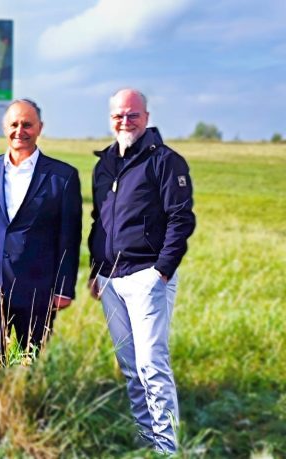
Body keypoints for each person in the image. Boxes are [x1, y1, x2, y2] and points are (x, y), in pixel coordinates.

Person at [88, 88, 195, 453]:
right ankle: (145, 438)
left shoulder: (165, 161)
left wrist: (162, 270)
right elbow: (98, 220)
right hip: (109, 279)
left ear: (146, 117)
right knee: (131, 367)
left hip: (147, 276)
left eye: (132, 115)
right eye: (119, 115)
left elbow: (181, 219)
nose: (125, 121)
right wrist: (95, 269)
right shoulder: (103, 164)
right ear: (110, 119)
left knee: (152, 364)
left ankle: (166, 447)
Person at [0, 99, 82, 363]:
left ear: (40, 128)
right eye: (14, 124)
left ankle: (23, 404)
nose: (19, 130)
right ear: (4, 127)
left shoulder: (63, 176)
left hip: (37, 289)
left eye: (27, 124)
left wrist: (64, 287)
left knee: (29, 366)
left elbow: (69, 237)